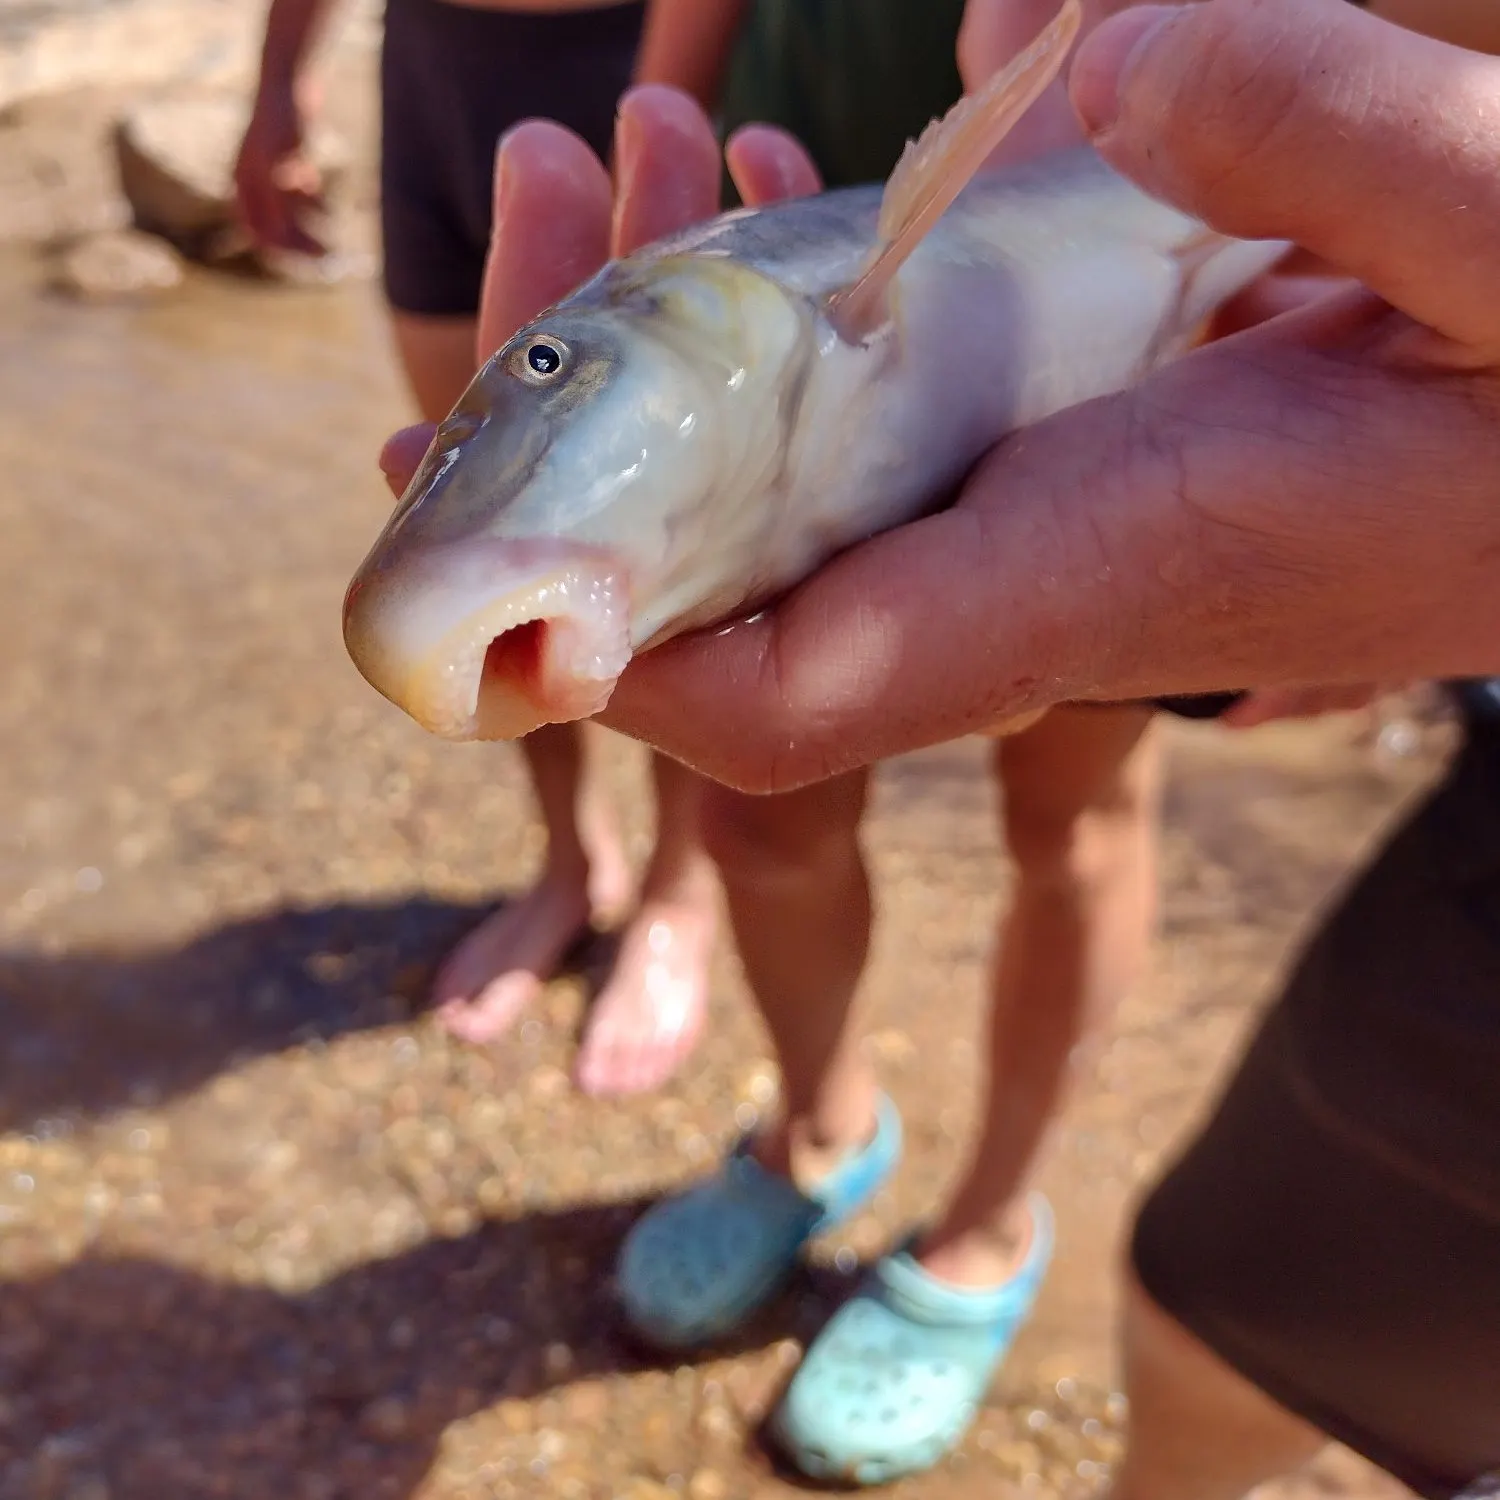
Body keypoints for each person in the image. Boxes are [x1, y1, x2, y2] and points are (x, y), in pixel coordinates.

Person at [378, 0, 1500, 1491]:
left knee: (1074, 824)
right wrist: (665, 113)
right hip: (829, 169)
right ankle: (816, 1133)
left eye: (539, 376)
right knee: (761, 812)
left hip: (1111, 225)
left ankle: (988, 1224)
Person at [233, 0, 720, 1097]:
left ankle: (679, 892)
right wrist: (279, 80)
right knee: (476, 535)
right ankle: (567, 859)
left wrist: (682, 88)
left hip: (638, 54)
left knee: (676, 541)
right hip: (431, 74)